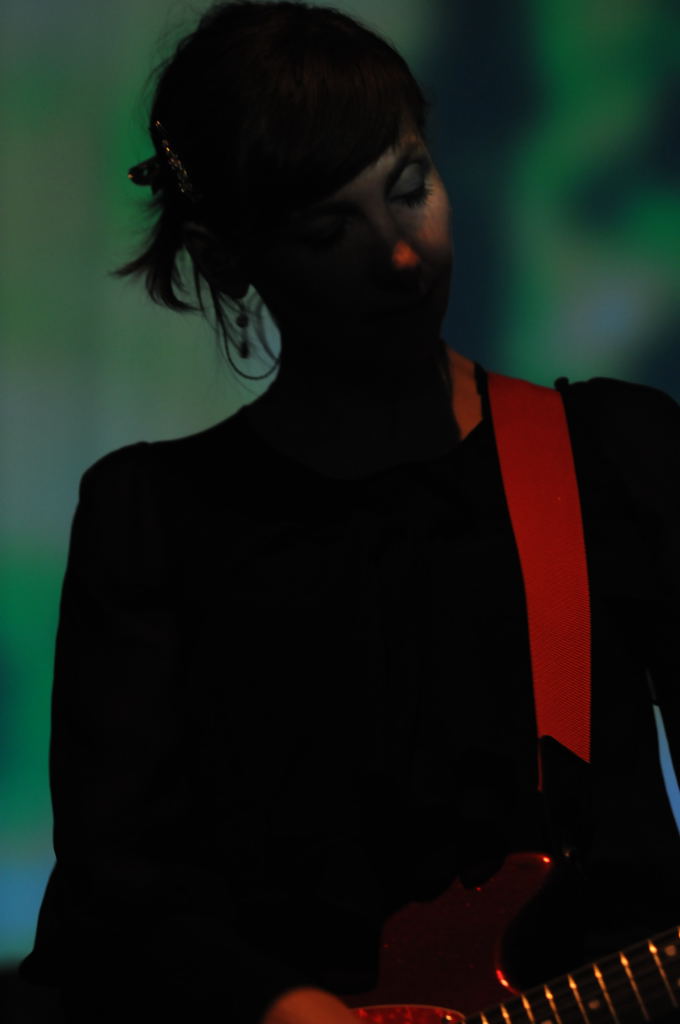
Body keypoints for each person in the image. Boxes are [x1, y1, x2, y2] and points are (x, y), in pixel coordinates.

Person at [15, 2, 680, 1023]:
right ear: (228, 258)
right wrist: (287, 1007)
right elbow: (118, 889)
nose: (401, 255)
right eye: (329, 230)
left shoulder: (612, 457)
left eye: (410, 189)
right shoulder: (150, 521)